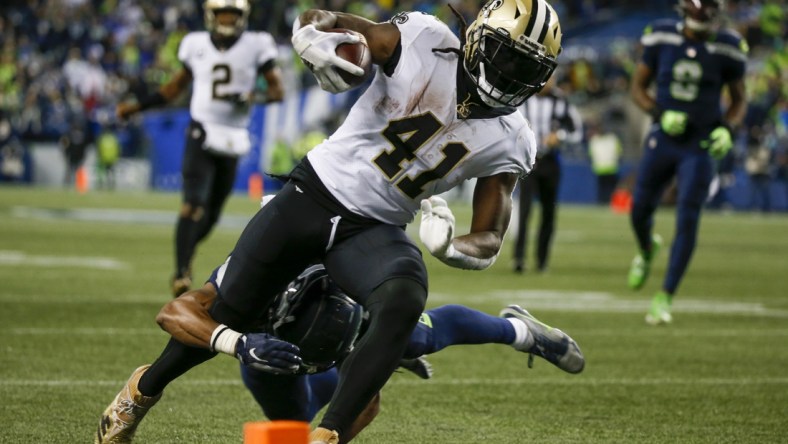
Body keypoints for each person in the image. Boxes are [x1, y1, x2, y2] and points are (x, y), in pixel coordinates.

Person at [95, 1, 575, 443]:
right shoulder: (426, 39)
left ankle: (329, 436)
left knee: (406, 295)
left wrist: (455, 248)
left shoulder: (513, 137)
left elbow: (490, 236)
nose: (510, 73)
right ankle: (138, 395)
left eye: (525, 67)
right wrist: (311, 38)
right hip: (313, 194)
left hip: (376, 228)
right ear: (476, 38)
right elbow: (329, 21)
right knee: (231, 309)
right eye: (506, 56)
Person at [97, 257, 584, 443]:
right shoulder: (252, 276)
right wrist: (238, 342)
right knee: (296, 411)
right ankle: (134, 400)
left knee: (422, 332)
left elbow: (365, 404)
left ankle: (519, 331)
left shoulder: (354, 270)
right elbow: (172, 313)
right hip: (268, 350)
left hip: (355, 319)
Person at [115, 0, 285, 297]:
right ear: (211, 15)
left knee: (211, 215)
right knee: (192, 205)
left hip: (233, 136)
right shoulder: (195, 44)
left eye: (234, 14)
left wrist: (251, 96)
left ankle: (187, 253)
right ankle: (181, 273)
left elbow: (276, 91)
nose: (228, 20)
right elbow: (173, 89)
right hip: (201, 130)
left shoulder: (257, 44)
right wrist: (137, 108)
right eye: (223, 14)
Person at [628, 0, 747, 325]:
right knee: (639, 209)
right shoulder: (661, 36)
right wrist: (659, 114)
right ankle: (646, 248)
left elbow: (739, 99)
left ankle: (665, 295)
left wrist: (728, 128)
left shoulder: (729, 46)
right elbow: (637, 87)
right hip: (663, 138)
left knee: (688, 216)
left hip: (700, 143)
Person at [512, 74, 583, 273]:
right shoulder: (522, 97)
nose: (548, 81)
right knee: (524, 211)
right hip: (528, 162)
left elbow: (577, 130)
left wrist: (560, 136)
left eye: (551, 77)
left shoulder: (561, 101)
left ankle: (542, 261)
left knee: (548, 212)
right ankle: (519, 259)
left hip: (551, 162)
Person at [587, 116, 623, 205]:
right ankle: (606, 204)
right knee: (607, 190)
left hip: (607, 169)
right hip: (607, 168)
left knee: (607, 190)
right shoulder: (611, 139)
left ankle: (606, 204)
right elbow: (619, 153)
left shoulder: (597, 140)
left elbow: (590, 156)